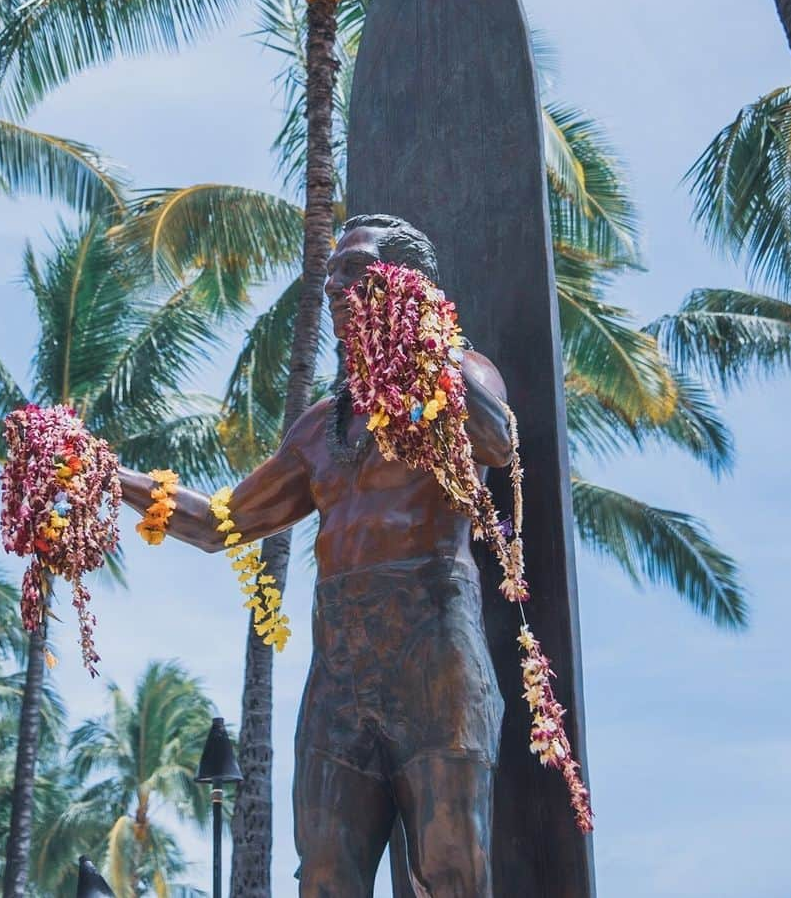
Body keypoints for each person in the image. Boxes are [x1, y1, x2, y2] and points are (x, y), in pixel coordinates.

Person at [119, 214, 513, 896]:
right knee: (325, 874)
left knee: (452, 868)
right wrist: (106, 474)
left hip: (433, 653)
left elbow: (498, 440)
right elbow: (221, 522)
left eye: (353, 272)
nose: (332, 286)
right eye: (329, 274)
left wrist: (423, 343)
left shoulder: (458, 375)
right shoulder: (318, 428)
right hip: (339, 668)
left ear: (400, 285)